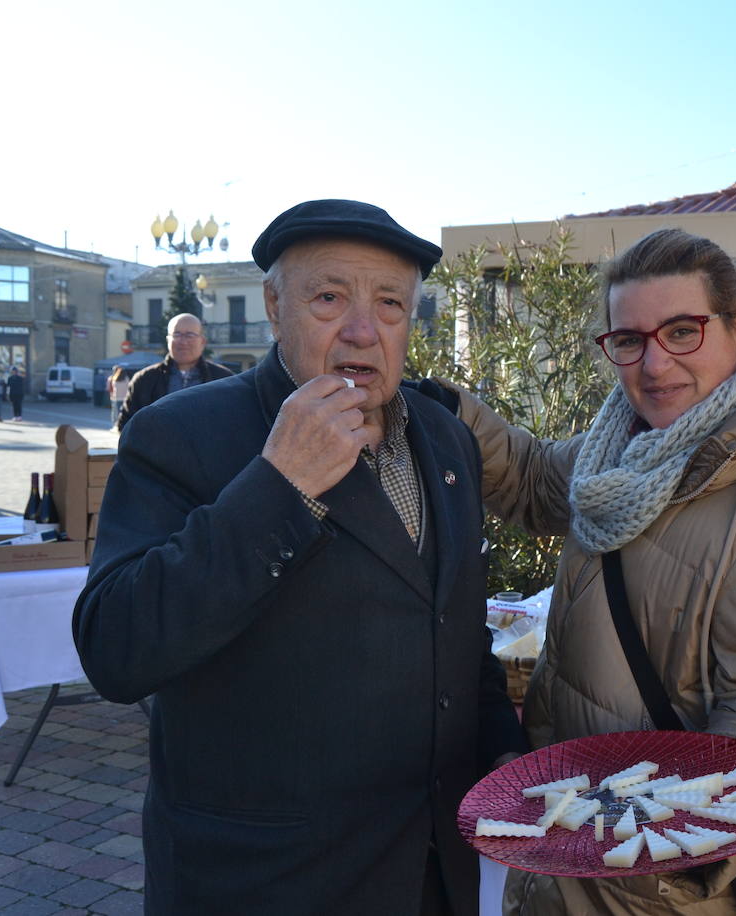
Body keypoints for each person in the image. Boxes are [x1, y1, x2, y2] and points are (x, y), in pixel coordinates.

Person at [73, 198, 527, 916]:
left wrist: (502, 751)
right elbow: (116, 648)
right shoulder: (180, 434)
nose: (361, 330)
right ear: (273, 305)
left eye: (389, 305)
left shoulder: (445, 440)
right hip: (268, 881)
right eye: (328, 298)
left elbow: (453, 632)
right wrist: (278, 486)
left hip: (432, 875)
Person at [423, 228, 736, 915]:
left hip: (653, 886)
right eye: (629, 341)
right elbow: (536, 482)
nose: (654, 364)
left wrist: (631, 865)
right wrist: (451, 413)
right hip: (580, 855)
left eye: (682, 331)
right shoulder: (631, 448)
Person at [116, 313, 233, 431]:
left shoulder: (223, 380)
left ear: (202, 341)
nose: (183, 341)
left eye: (190, 335)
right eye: (177, 334)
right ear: (168, 340)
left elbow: (234, 425)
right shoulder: (144, 379)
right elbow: (126, 426)